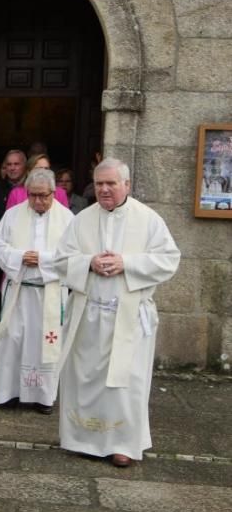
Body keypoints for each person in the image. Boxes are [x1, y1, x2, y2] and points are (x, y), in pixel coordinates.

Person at [53, 158, 180, 467]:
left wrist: (127, 263)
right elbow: (60, 261)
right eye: (99, 184)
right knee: (85, 381)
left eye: (111, 183)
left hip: (129, 318)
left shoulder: (148, 220)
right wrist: (88, 263)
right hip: (89, 317)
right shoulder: (81, 219)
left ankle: (123, 444)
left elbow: (169, 260)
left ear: (127, 185)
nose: (105, 189)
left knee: (125, 383)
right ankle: (83, 439)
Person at [0, 169, 74, 413]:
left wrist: (44, 260)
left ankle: (43, 397)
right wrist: (19, 257)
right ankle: (8, 393)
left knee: (44, 341)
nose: (37, 201)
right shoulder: (14, 215)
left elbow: (75, 256)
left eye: (43, 196)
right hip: (18, 290)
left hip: (49, 292)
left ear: (53, 193)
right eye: (32, 195)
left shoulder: (67, 219)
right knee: (13, 339)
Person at [4, 153, 69, 209]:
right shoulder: (16, 193)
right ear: (29, 171)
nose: (43, 172)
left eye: (46, 168)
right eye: (39, 169)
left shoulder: (60, 193)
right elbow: (10, 218)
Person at [0, 149, 26, 225]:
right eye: (9, 164)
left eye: (16, 164)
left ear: (24, 166)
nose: (12, 168)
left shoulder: (31, 188)